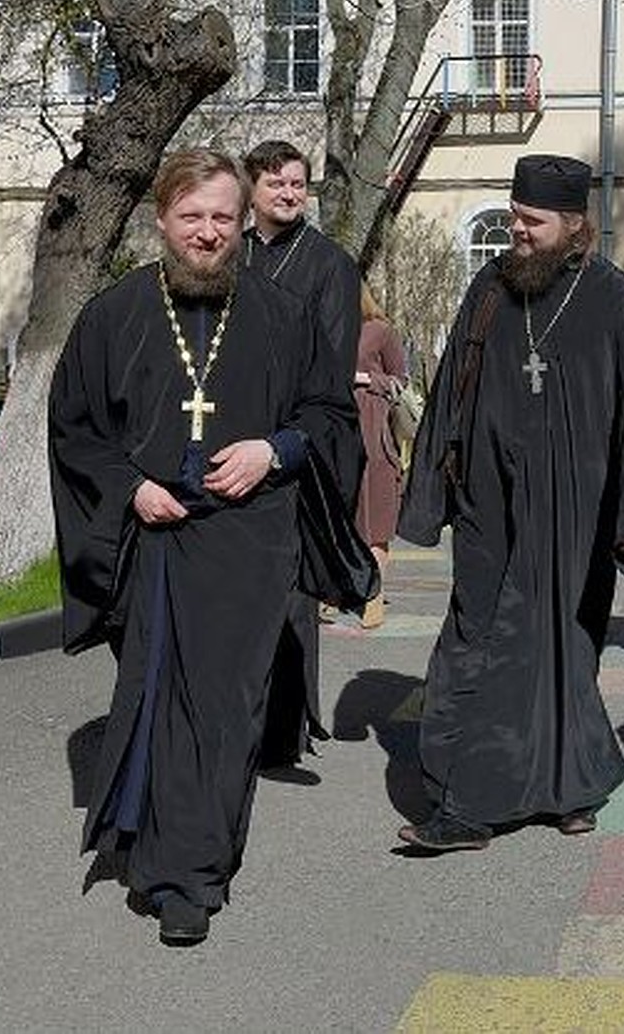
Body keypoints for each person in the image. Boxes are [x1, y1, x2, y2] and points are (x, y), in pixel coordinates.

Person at [49, 149, 376, 946]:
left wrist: (276, 451)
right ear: (161, 220)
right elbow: (75, 430)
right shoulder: (115, 315)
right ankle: (165, 858)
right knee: (159, 701)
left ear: (241, 223)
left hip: (249, 545)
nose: (206, 234)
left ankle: (193, 875)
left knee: (227, 711)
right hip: (149, 542)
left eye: (222, 219)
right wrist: (130, 486)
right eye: (191, 217)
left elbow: (330, 418)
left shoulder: (280, 313)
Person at [395, 153, 624, 852]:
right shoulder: (489, 287)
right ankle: (569, 783)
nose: (517, 229)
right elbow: (455, 382)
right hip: (487, 503)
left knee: (557, 646)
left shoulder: (613, 299)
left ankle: (475, 805)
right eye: (514, 215)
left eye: (531, 220)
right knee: (476, 635)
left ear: (574, 226)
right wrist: (436, 487)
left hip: (575, 509)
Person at [242, 140, 363, 772]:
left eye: (298, 184)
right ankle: (235, 717)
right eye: (277, 184)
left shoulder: (329, 265)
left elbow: (331, 372)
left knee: (289, 594)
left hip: (293, 449)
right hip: (227, 446)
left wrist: (285, 439)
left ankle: (282, 732)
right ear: (251, 191)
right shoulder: (229, 254)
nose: (289, 194)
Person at [353, 282, 408, 629]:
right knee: (339, 516)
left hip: (373, 433)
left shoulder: (380, 331)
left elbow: (400, 380)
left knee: (376, 518)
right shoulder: (325, 325)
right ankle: (330, 593)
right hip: (336, 432)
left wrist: (364, 378)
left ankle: (374, 595)